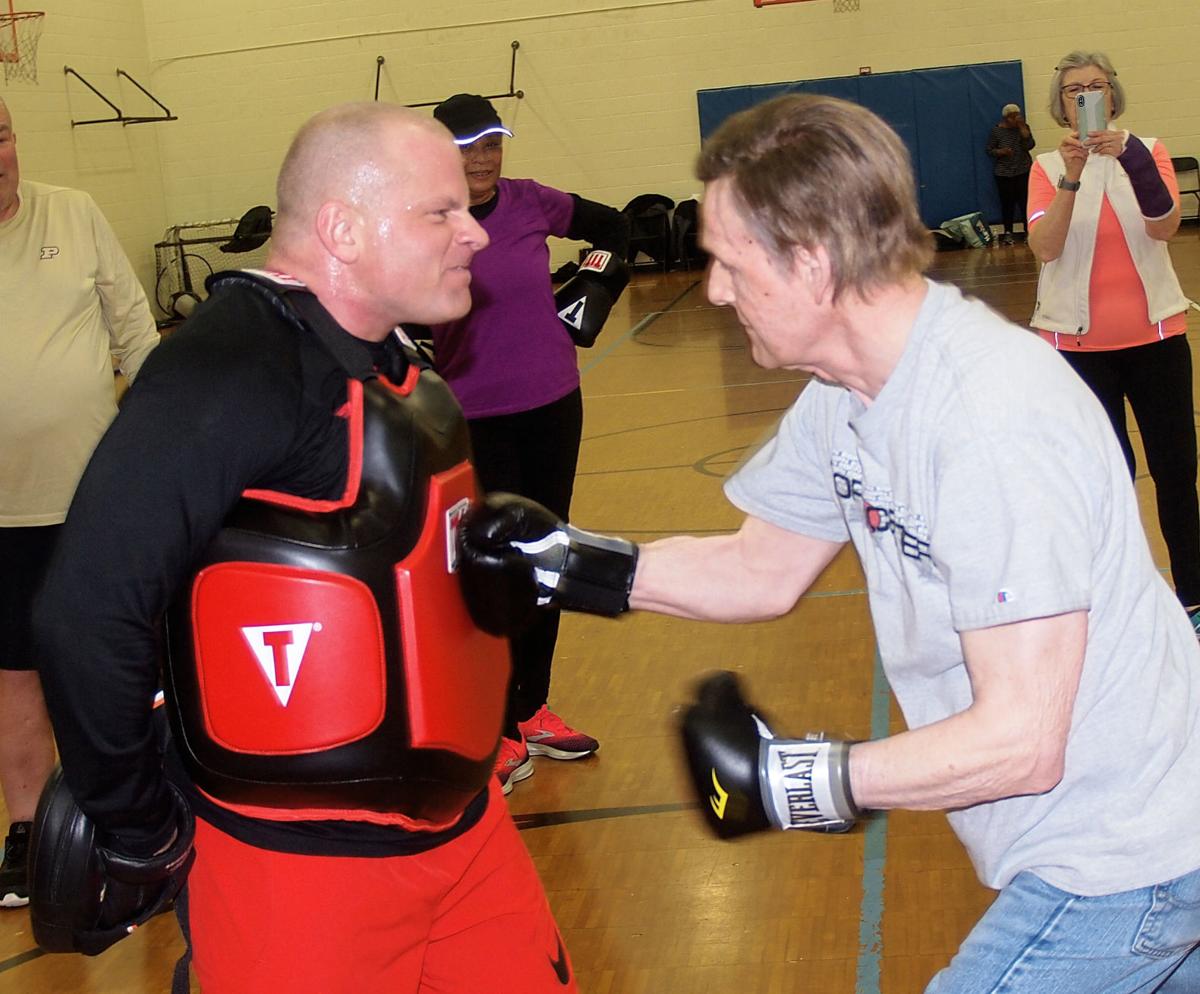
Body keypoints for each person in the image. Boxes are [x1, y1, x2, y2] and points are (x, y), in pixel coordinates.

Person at [455, 93, 1200, 993]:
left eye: (730, 263)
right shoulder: (850, 394)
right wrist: (566, 562)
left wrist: (795, 781)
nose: (717, 290)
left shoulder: (990, 423)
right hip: (1099, 840)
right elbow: (758, 568)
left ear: (812, 263)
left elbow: (1020, 741)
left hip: (1133, 859)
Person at [33, 102, 578, 993]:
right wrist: (138, 828)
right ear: (343, 229)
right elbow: (87, 612)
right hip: (295, 869)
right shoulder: (231, 366)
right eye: (439, 212)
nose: (474, 233)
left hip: (465, 833)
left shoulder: (394, 356)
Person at [428, 93, 630, 794]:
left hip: (552, 404)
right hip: (475, 417)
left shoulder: (532, 202)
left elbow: (618, 227)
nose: (483, 160)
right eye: (468, 147)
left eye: (492, 145)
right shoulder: (426, 221)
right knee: (492, 569)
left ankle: (531, 708)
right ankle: (496, 725)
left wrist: (590, 290)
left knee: (548, 559)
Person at [0, 96, 159, 908]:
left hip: (94, 499)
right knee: (14, 675)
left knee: (120, 666)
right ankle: (29, 834)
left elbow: (135, 328)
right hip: (1, 517)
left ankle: (140, 821)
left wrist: (172, 432)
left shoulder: (76, 212)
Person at [1027, 50, 1200, 633]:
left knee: (1176, 474)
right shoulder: (1045, 166)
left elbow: (1165, 225)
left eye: (1095, 86)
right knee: (1102, 483)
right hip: (1074, 356)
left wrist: (1127, 155)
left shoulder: (1145, 150)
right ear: (1061, 104)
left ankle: (1194, 598)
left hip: (1157, 342)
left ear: (1113, 94)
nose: (1085, 96)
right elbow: (1046, 247)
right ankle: (1118, 602)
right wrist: (1072, 177)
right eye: (1074, 90)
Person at [985, 102, 1035, 245]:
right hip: (1004, 173)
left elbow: (1030, 145)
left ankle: (1028, 231)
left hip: (1022, 170)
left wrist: (1022, 128)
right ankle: (1008, 233)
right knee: (1007, 204)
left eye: (1018, 116)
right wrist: (1001, 152)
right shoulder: (996, 131)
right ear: (1006, 118)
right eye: (1013, 118)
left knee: (1025, 202)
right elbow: (989, 150)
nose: (1016, 119)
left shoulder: (1023, 128)